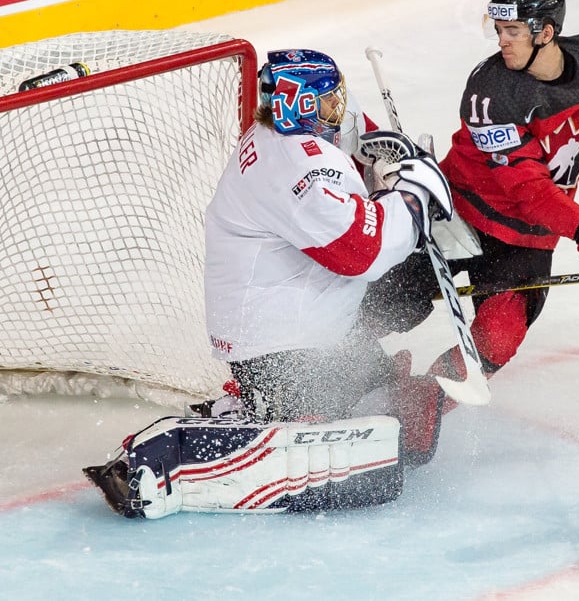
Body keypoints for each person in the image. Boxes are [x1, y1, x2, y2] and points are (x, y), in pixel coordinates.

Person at [83, 49, 454, 518]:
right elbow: (363, 253)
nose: (336, 109)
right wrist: (413, 199)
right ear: (300, 104)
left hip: (313, 325)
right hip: (282, 346)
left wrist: (384, 156)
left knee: (394, 391)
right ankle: (218, 430)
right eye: (326, 102)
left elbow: (356, 125)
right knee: (376, 456)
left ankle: (265, 401)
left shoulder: (285, 128)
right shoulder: (294, 164)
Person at [428, 0, 579, 387]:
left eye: (512, 31)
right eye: (499, 31)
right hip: (456, 213)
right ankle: (346, 373)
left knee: (498, 339)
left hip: (527, 236)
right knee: (389, 303)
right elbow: (528, 191)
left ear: (546, 32)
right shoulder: (492, 92)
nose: (502, 42)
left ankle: (419, 399)